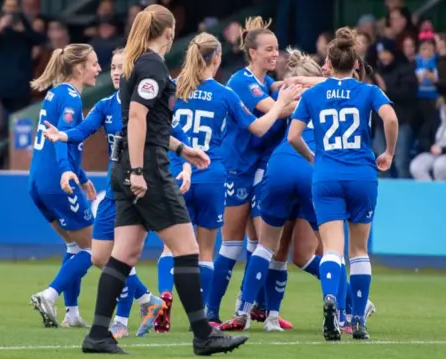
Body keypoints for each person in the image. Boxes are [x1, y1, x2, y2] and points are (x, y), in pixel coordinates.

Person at [81, 6, 248, 355]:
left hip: (127, 165)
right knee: (188, 249)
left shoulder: (136, 63)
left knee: (124, 252)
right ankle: (204, 335)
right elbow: (139, 118)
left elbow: (147, 121)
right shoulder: (152, 65)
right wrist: (141, 171)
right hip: (149, 170)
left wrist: (182, 148)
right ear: (169, 32)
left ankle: (97, 334)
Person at [42, 48, 166, 338]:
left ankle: (121, 323)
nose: (115, 72)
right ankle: (148, 301)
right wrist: (62, 135)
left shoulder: (146, 106)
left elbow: (173, 136)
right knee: (99, 257)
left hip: (140, 187)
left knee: (123, 255)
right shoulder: (105, 105)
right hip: (114, 189)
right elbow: (82, 130)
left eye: (121, 67)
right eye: (112, 67)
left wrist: (184, 161)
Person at [287, 28, 399, 341]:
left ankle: (332, 304)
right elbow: (390, 119)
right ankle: (358, 321)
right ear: (355, 63)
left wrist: (313, 157)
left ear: (329, 62)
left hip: (326, 175)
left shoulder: (312, 94)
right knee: (359, 250)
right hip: (362, 175)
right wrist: (388, 151)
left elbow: (293, 135)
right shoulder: (368, 91)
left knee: (332, 249)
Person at [207, 16, 299, 328]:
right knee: (232, 244)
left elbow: (278, 102)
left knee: (263, 241)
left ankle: (256, 308)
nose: (276, 55)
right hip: (237, 167)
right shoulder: (241, 82)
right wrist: (291, 97)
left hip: (262, 169)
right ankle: (210, 312)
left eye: (277, 50)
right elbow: (276, 111)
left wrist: (285, 90)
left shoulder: (264, 83)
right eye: (269, 50)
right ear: (253, 53)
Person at [28, 43, 102, 328]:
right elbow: (60, 142)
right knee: (95, 250)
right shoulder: (71, 97)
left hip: (37, 182)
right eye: (94, 63)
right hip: (56, 181)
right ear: (79, 66)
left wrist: (81, 176)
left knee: (74, 247)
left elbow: (60, 145)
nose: (98, 69)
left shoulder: (55, 94)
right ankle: (49, 294)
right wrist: (66, 173)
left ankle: (71, 314)